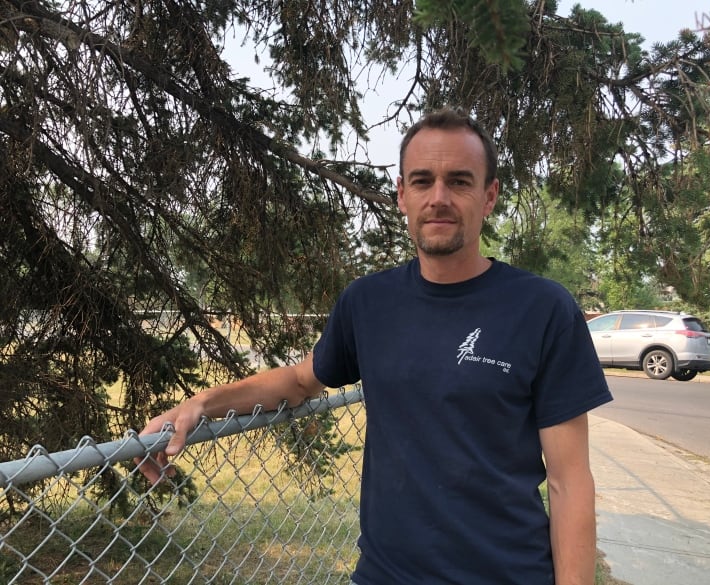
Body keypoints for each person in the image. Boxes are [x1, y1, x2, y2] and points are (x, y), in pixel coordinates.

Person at [137, 107, 613, 585]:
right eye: (423, 181)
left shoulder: (543, 309)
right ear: (402, 196)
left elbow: (568, 482)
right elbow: (302, 380)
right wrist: (203, 401)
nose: (439, 198)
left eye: (460, 181)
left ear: (489, 197)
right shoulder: (368, 303)